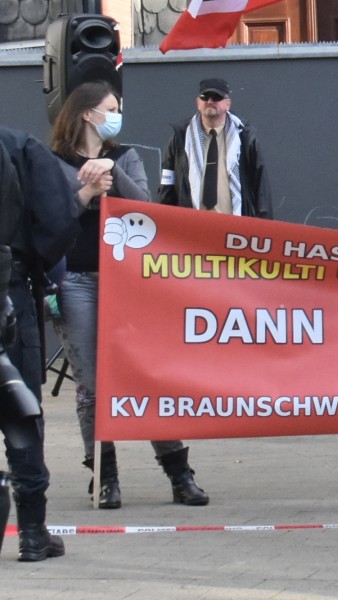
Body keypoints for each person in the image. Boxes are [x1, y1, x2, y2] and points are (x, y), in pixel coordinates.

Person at [49, 81, 209, 508]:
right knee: (93, 385)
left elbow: (147, 208)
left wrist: (110, 172)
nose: (116, 114)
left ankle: (179, 473)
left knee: (144, 376)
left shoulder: (126, 157)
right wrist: (84, 193)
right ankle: (104, 476)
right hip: (76, 280)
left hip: (127, 282)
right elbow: (49, 219)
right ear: (86, 114)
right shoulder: (53, 162)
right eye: (110, 108)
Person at [0, 124, 80, 561]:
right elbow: (58, 217)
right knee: (21, 414)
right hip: (8, 291)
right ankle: (32, 532)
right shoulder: (18, 146)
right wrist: (37, 263)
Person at [158, 78, 272, 219]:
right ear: (198, 103)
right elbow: (167, 183)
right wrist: (162, 222)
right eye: (205, 97)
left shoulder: (244, 137)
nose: (210, 101)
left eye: (216, 97)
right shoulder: (181, 137)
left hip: (233, 225)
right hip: (192, 225)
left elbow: (260, 187)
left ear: (227, 104)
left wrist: (264, 227)